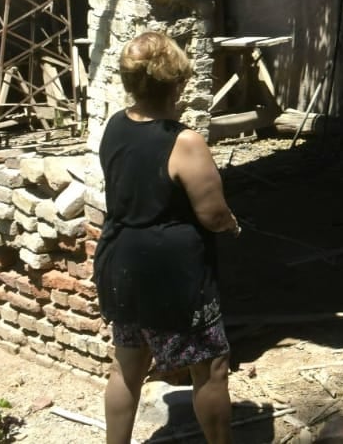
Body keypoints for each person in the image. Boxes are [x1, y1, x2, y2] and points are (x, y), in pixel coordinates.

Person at [92, 31, 241, 444]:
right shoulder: (184, 141)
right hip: (171, 274)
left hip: (120, 261)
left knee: (127, 364)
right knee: (210, 367)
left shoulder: (116, 125)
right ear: (177, 83)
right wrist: (232, 223)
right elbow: (212, 214)